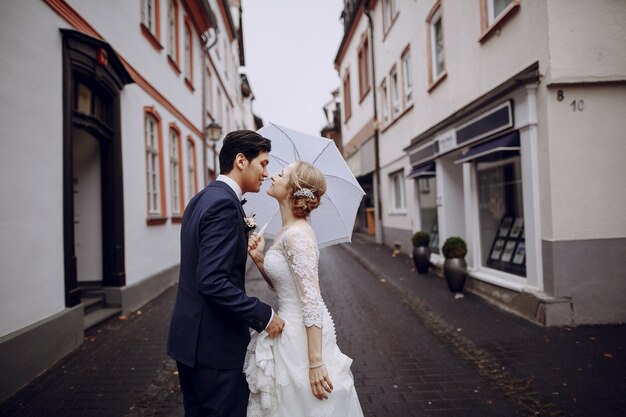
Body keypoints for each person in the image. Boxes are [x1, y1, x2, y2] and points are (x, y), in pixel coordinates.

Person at [167, 130, 286, 417]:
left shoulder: (202, 198)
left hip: (190, 343)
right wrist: (263, 315)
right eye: (264, 163)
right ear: (241, 160)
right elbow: (212, 281)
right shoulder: (223, 204)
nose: (267, 173)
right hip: (215, 348)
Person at [245, 161, 364, 417]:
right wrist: (259, 260)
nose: (273, 175)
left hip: (303, 336)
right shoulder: (285, 231)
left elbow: (310, 300)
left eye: (282, 174)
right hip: (288, 329)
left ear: (292, 189)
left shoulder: (297, 236)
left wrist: (315, 362)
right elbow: (285, 288)